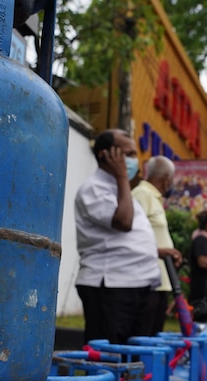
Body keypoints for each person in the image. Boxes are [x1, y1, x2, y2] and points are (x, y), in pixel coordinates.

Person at [75, 129, 161, 344]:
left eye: (134, 154)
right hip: (111, 285)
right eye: (128, 154)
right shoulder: (93, 189)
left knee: (133, 358)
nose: (134, 160)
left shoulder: (123, 192)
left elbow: (127, 240)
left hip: (139, 283)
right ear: (106, 155)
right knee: (109, 357)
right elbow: (123, 222)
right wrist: (122, 176)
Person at [131, 156, 184, 335]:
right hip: (146, 282)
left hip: (160, 280)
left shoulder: (154, 197)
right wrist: (158, 252)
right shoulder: (142, 194)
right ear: (167, 178)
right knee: (143, 336)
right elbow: (129, 235)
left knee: (154, 336)